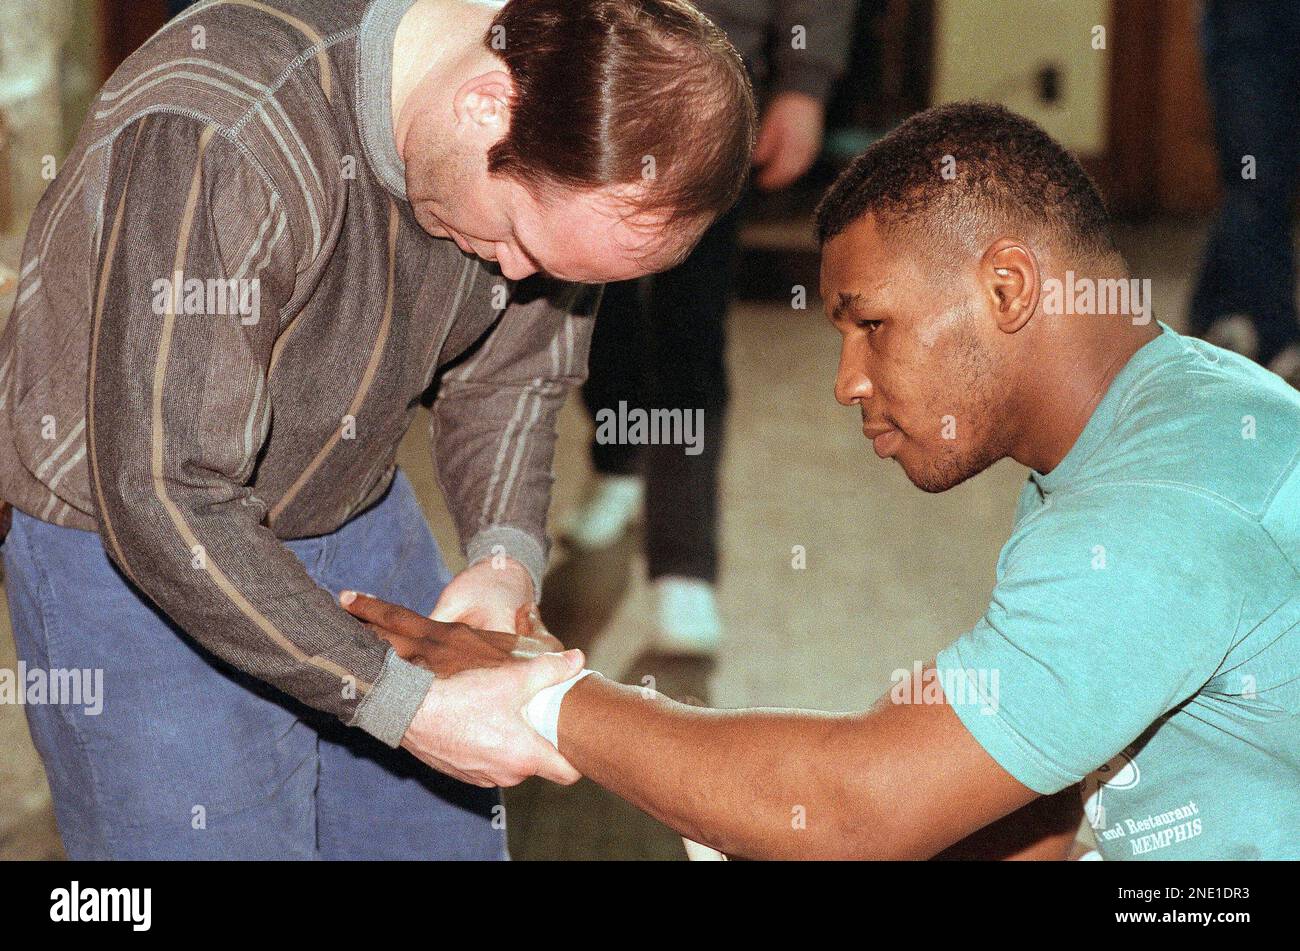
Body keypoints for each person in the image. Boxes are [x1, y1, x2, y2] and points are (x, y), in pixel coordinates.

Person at [346, 102, 1300, 860]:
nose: (845, 381)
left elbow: (851, 809)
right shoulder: (1152, 416)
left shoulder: (1161, 510)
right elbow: (1029, 794)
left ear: (1007, 289)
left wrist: (541, 695)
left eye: (870, 323)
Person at [0, 0, 755, 859]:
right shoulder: (225, 129)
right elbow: (163, 488)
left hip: (349, 502)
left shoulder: (561, 158)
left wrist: (503, 557)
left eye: (555, 270)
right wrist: (406, 704)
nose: (516, 274)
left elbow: (513, 372)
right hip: (135, 548)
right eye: (516, 237)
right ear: (483, 104)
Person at [563, 0, 853, 655]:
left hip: (714, 76)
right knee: (583, 298)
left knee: (688, 323)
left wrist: (805, 83)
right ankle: (618, 456)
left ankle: (682, 562)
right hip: (588, 65)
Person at [1190, 0, 1300, 387]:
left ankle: (1210, 314)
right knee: (1256, 179)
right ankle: (1280, 340)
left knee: (1267, 184)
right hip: (1245, 20)